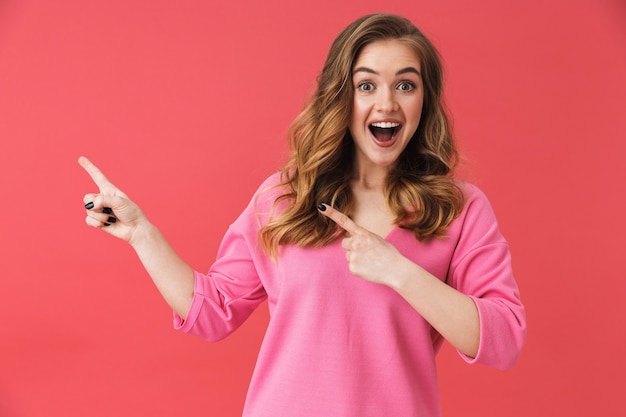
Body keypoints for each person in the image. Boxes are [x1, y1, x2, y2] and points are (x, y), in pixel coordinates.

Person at [80, 13, 526, 417]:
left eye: (405, 85)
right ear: (341, 95)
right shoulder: (283, 196)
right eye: (366, 85)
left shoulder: (458, 209)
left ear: (424, 101)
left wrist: (399, 271)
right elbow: (213, 311)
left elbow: (504, 340)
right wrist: (141, 233)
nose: (387, 104)